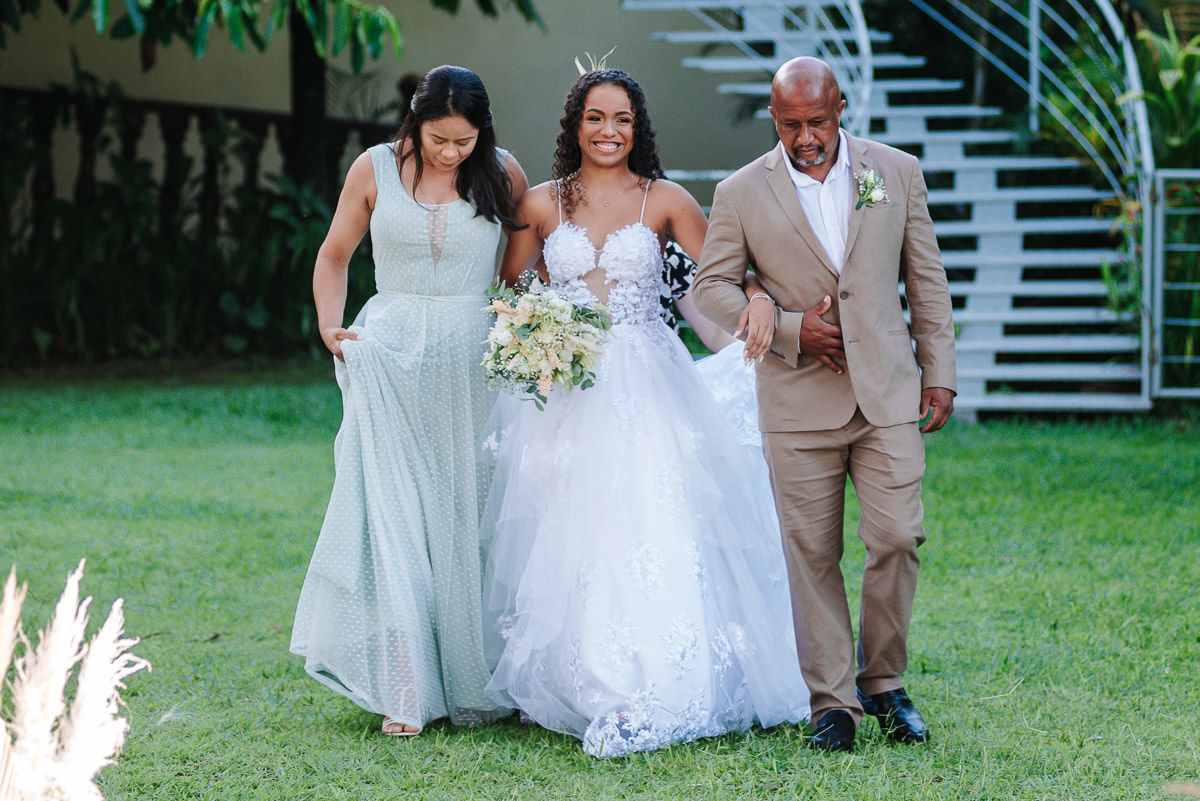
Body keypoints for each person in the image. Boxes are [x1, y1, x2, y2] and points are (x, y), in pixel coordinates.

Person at [479, 68, 809, 758]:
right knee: (575, 524)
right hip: (570, 386)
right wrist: (538, 332)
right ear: (575, 125)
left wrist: (757, 304)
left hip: (649, 380)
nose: (610, 131)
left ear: (639, 127)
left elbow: (722, 274)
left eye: (623, 119)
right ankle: (581, 677)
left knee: (652, 515)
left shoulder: (666, 200)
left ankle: (660, 675)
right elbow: (509, 290)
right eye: (596, 118)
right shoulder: (540, 204)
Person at [692, 56, 957, 752]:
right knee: (811, 553)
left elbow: (925, 277)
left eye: (817, 122)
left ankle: (883, 680)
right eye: (790, 124)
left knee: (897, 537)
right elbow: (710, 287)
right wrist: (787, 329)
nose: (805, 138)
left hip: (888, 393)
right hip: (797, 400)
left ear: (841, 109)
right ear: (773, 118)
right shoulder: (740, 191)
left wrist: (940, 371)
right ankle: (833, 704)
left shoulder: (894, 171)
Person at [290, 65, 529, 737]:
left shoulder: (502, 172)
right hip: (388, 357)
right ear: (415, 124)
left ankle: (479, 674)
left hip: (473, 363)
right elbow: (333, 255)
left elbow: (519, 270)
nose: (451, 152)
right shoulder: (372, 169)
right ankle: (405, 687)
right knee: (393, 512)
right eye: (438, 139)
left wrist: (526, 328)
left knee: (467, 512)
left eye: (464, 141)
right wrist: (329, 325)